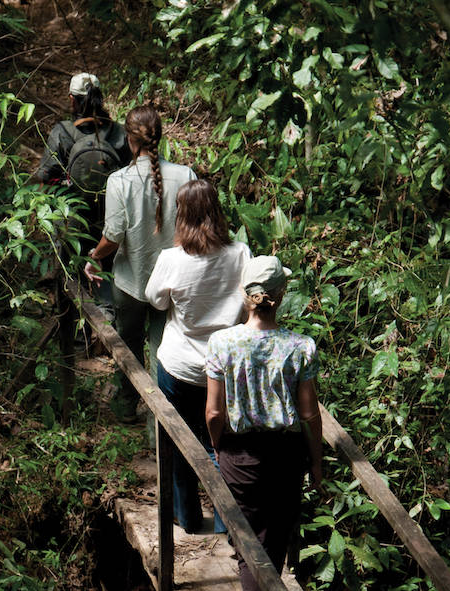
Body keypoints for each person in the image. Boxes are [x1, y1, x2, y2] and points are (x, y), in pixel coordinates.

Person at [205, 256, 323, 591]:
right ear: (281, 295)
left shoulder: (222, 343)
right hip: (286, 456)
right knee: (270, 545)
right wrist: (316, 461)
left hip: (239, 455)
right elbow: (309, 414)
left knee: (248, 545)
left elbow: (214, 413)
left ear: (245, 294)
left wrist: (218, 446)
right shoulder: (301, 346)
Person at [144, 179, 250, 534]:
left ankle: (187, 519)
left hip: (178, 365)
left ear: (181, 214)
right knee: (221, 446)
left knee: (179, 443)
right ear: (217, 211)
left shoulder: (171, 259)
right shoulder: (240, 254)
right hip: (225, 368)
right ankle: (225, 525)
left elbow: (155, 300)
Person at [84, 105, 197, 422]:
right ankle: (164, 421)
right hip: (174, 285)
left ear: (129, 139)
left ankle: (124, 406)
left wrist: (93, 258)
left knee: (129, 347)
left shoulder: (119, 180)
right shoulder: (186, 175)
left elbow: (113, 238)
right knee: (165, 351)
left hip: (131, 283)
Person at [32, 72, 130, 232]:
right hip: (110, 219)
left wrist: (38, 215)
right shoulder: (119, 132)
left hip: (70, 220)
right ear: (100, 98)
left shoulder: (62, 132)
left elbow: (48, 178)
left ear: (72, 99)